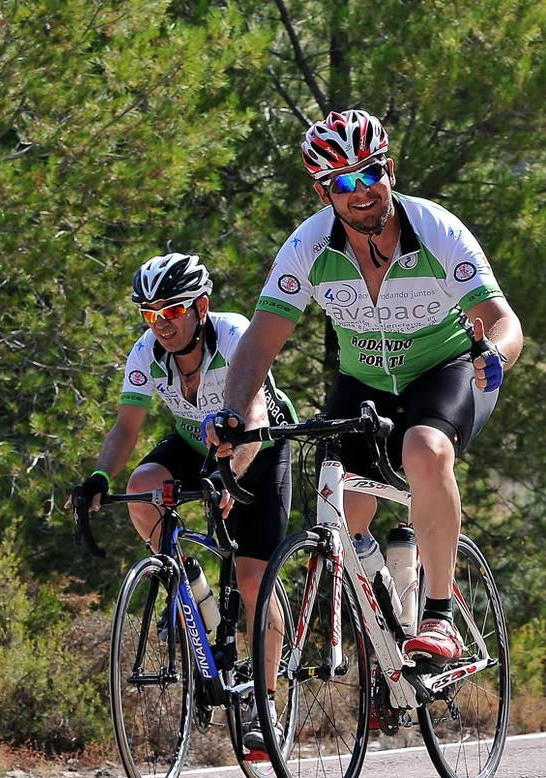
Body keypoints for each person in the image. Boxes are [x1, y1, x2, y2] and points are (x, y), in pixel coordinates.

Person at [208, 109, 523, 664]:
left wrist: (495, 353)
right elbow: (258, 342)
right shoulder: (307, 247)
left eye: (370, 172)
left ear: (390, 171)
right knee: (340, 512)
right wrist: (235, 413)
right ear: (324, 193)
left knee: (424, 450)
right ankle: (385, 634)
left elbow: (503, 320)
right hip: (365, 381)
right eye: (343, 183)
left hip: (446, 369)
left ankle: (439, 615)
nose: (362, 191)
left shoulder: (435, 229)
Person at [68, 252, 294, 748]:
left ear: (201, 306)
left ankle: (266, 705)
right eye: (149, 314)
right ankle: (182, 574)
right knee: (143, 485)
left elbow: (253, 414)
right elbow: (127, 427)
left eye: (171, 311)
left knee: (253, 579)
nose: (160, 325)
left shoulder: (235, 336)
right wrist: (100, 474)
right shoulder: (146, 354)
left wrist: (230, 476)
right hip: (197, 444)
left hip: (258, 447)